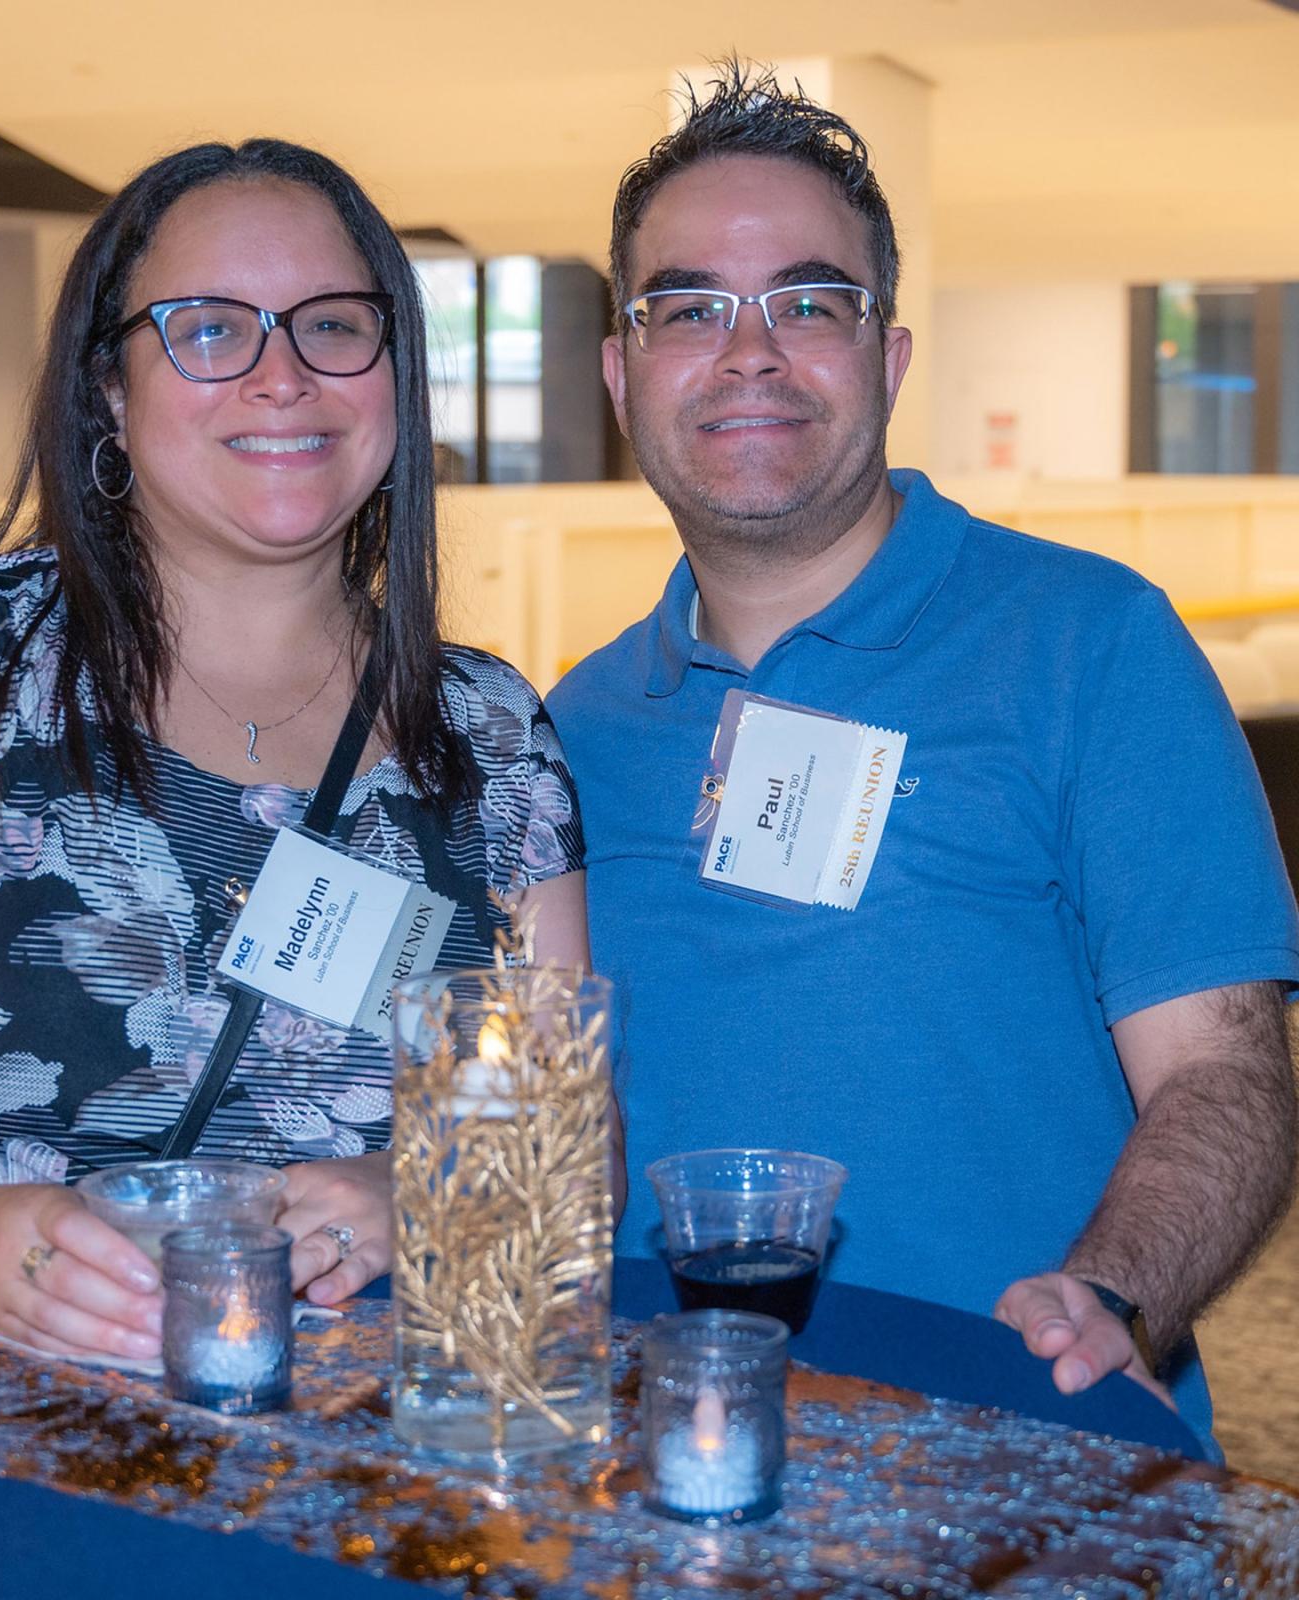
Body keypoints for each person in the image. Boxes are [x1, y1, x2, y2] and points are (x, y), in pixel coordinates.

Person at [0, 139, 589, 1366]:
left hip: (361, 1453)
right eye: (209, 331)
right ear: (108, 392)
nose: (281, 376)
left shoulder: (488, 734)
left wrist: (420, 1195)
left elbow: (545, 1127)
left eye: (332, 325)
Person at [546, 61, 1298, 1443]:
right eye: (690, 307)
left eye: (811, 304)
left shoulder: (1092, 645)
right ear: (621, 372)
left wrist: (1112, 1297)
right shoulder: (569, 731)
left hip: (1020, 1464)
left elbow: (1226, 1074)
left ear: (888, 359)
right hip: (667, 1475)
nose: (750, 350)